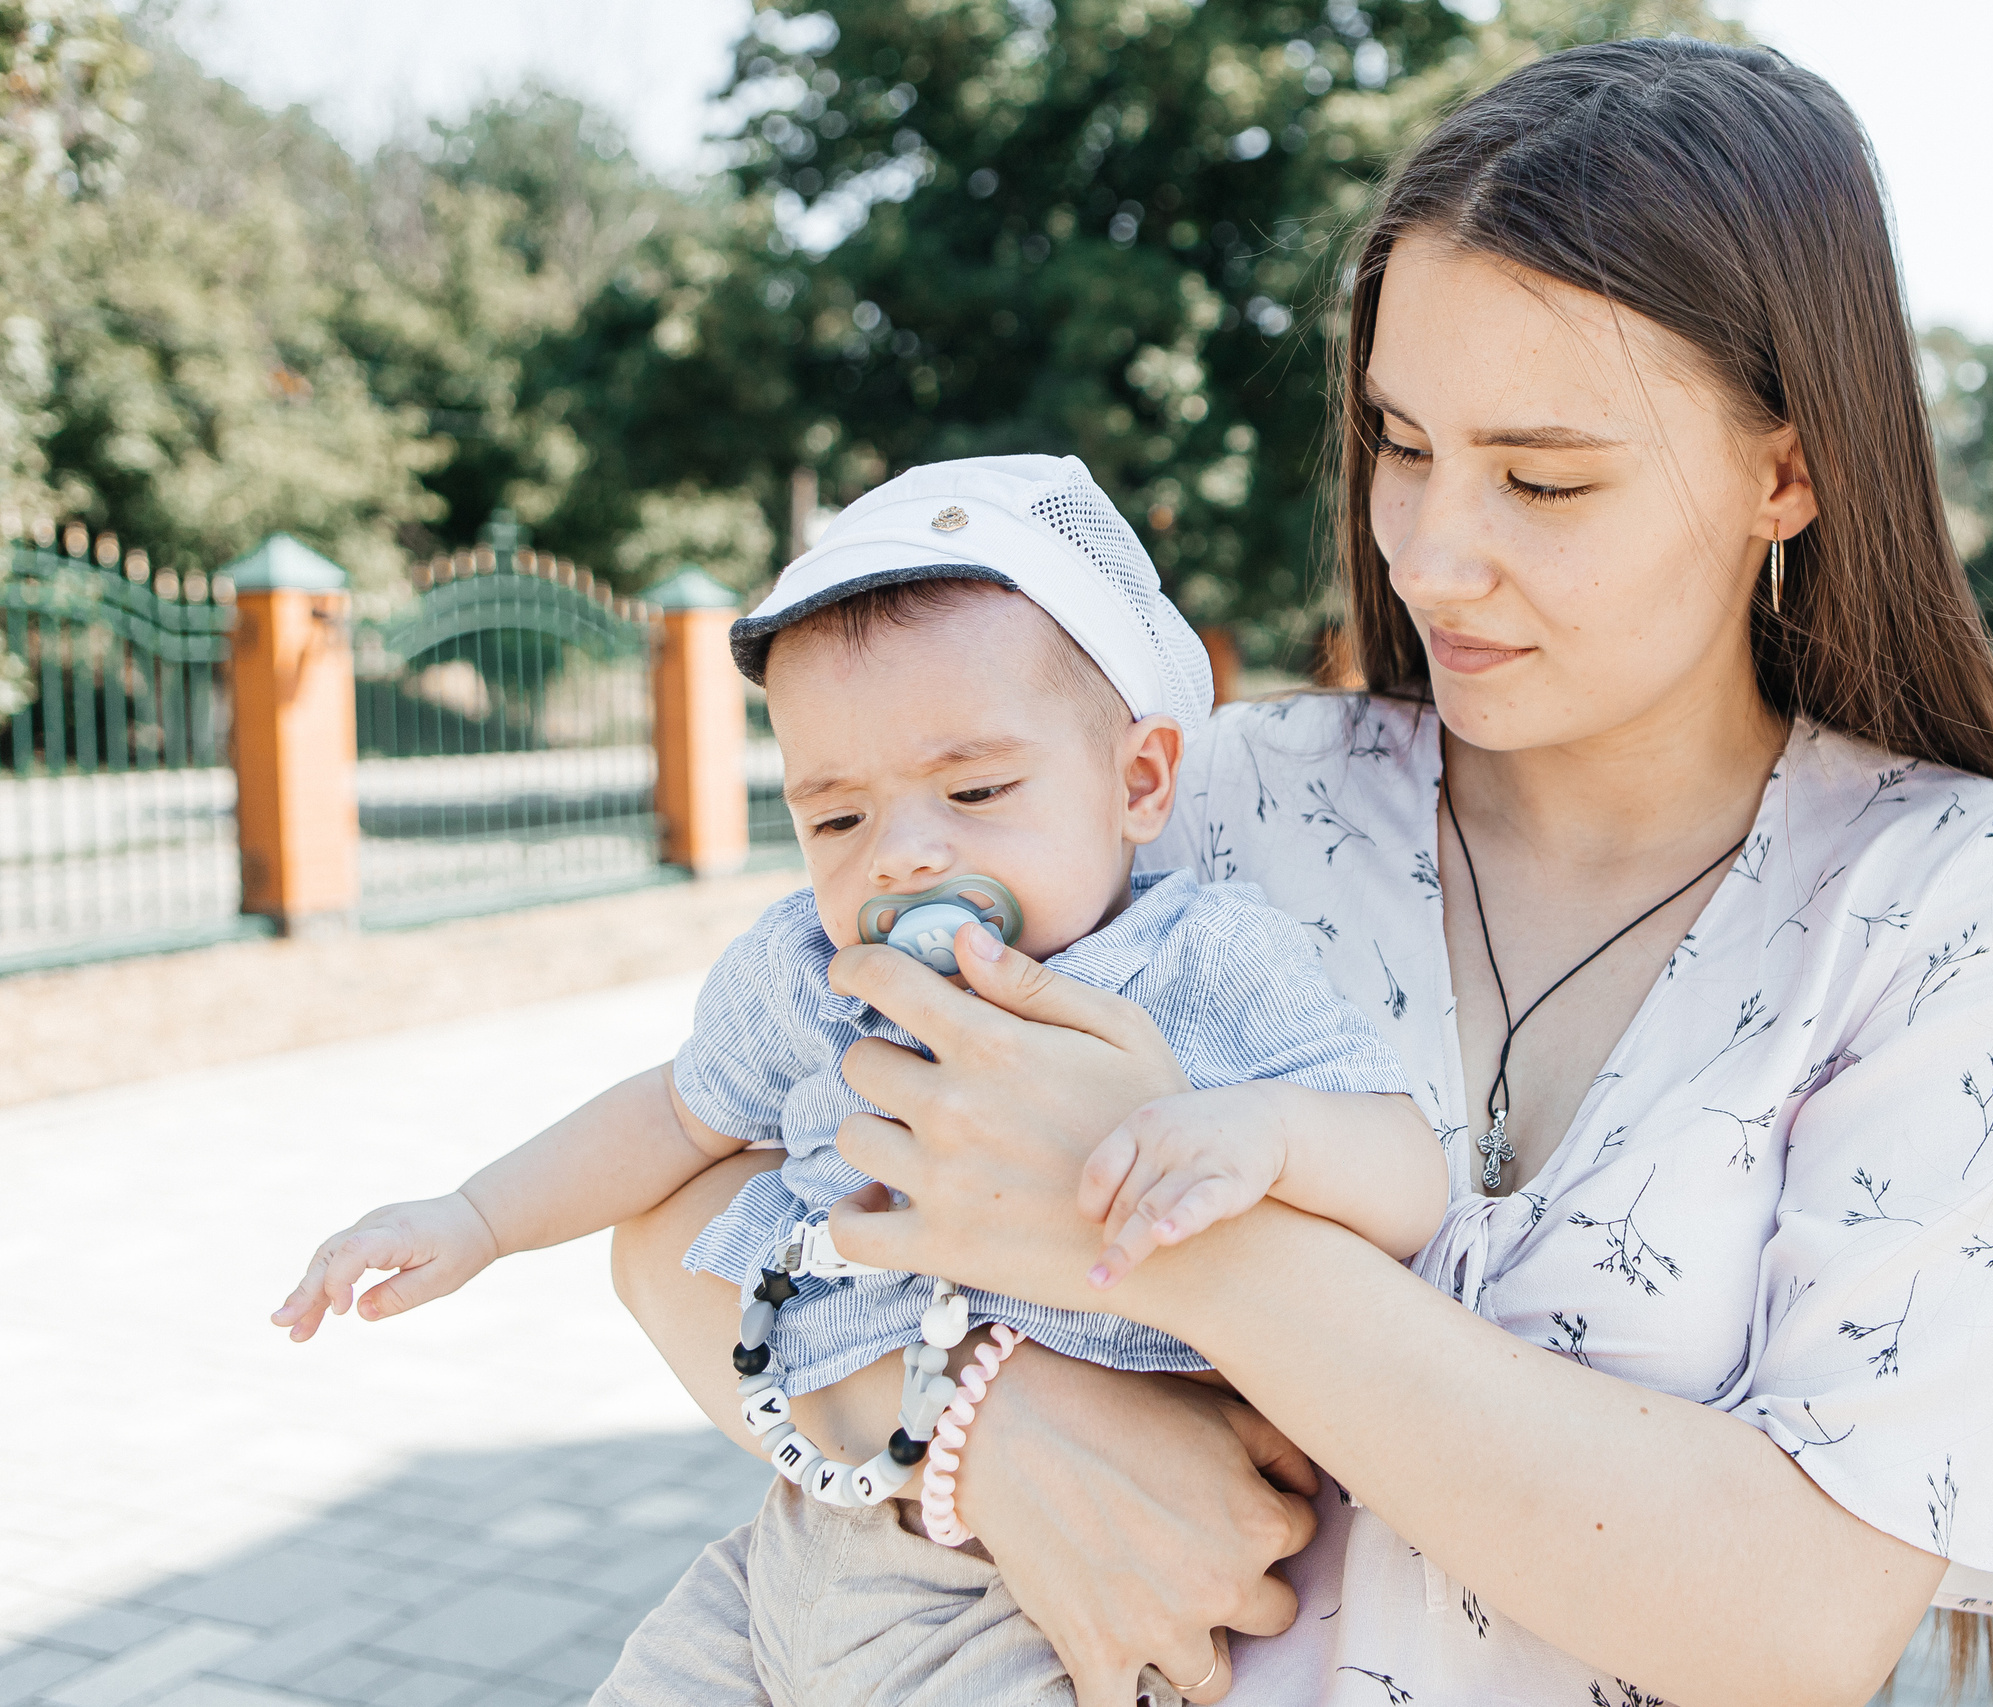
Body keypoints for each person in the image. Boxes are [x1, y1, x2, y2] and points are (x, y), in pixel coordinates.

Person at [605, 37, 1993, 1707]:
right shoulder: (1211, 799)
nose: (1427, 549)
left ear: (1785, 467)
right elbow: (685, 1215)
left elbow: (1795, 1621)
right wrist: (979, 1422)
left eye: (1541, 475)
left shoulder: (1947, 902)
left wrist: (1160, 1232)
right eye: (1400, 445)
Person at [271, 457, 1447, 1707]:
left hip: (1031, 1594)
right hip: (801, 1535)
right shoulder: (810, 973)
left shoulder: (1202, 961)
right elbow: (675, 1114)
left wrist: (1263, 1131)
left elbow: (1403, 1169)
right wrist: (478, 1218)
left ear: (1140, 779)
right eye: (837, 819)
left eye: (976, 790)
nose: (908, 853)